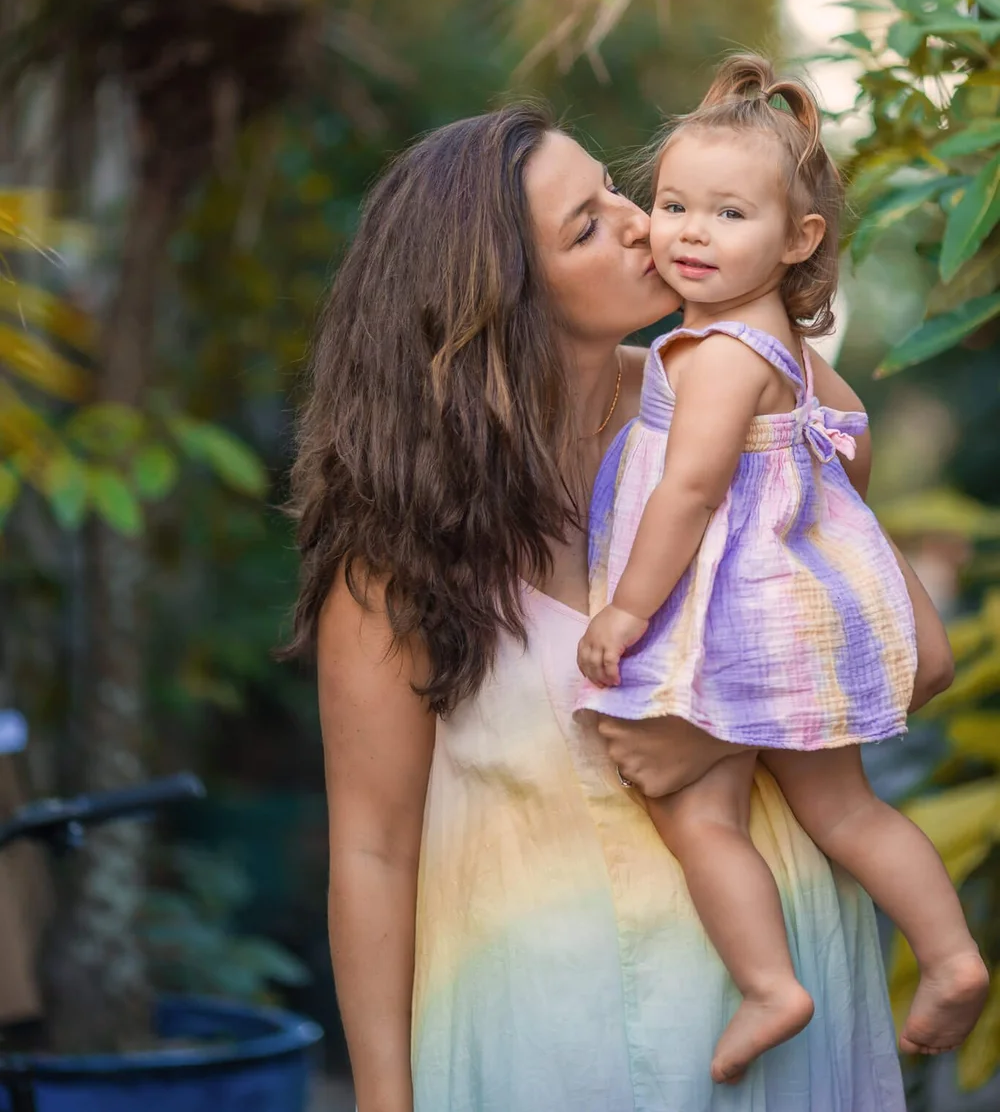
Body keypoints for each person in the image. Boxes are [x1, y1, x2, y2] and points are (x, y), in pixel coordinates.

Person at [289, 99, 955, 1112]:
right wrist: (384, 1102)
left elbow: (910, 650)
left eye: (613, 187)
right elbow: (372, 852)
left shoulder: (732, 409)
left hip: (783, 1018)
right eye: (588, 223)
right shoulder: (396, 552)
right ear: (500, 295)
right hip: (547, 1038)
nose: (642, 219)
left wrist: (712, 734)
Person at [576, 56, 988, 1085]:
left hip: (740, 625)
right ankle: (948, 957)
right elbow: (845, 440)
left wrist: (628, 611)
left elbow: (688, 492)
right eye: (672, 204)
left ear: (798, 240)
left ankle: (769, 984)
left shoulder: (715, 353)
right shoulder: (783, 347)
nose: (689, 231)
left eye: (727, 213)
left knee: (699, 814)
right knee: (846, 812)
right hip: (800, 612)